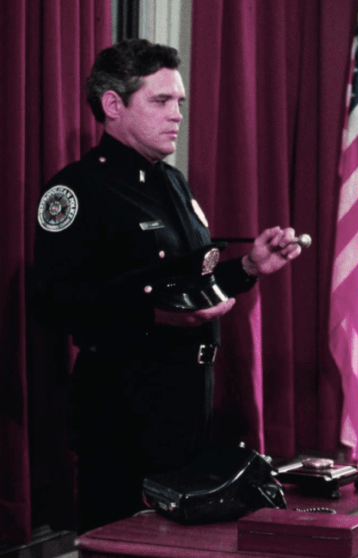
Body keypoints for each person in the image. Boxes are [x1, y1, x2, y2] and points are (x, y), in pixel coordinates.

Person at [31, 39, 304, 532]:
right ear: (113, 105)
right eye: (160, 101)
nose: (177, 114)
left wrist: (249, 267)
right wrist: (153, 315)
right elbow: (52, 302)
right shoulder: (77, 191)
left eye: (179, 101)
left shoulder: (171, 182)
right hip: (121, 410)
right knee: (121, 541)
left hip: (189, 406)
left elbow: (188, 282)